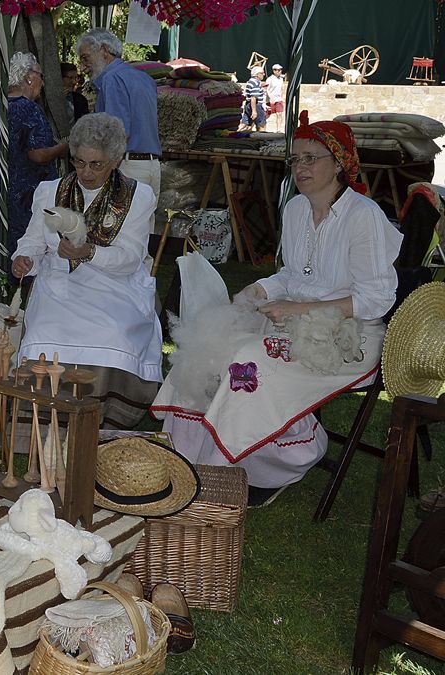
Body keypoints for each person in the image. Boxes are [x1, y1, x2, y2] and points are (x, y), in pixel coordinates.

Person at [151, 114, 402, 505]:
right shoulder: (297, 209)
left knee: (247, 363)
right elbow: (291, 273)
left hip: (348, 337)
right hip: (295, 325)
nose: (300, 168)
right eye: (296, 159)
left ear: (338, 163)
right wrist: (260, 288)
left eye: (311, 158)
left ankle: (258, 466)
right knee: (213, 348)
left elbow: (377, 298)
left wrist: (299, 308)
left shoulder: (363, 216)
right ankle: (185, 461)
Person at [11, 113, 161, 428]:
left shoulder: (138, 196)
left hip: (114, 281)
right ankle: (42, 423)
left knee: (113, 333)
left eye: (97, 165)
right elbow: (33, 241)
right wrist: (24, 258)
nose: (86, 173)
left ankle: (104, 419)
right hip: (60, 280)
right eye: (79, 162)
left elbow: (132, 257)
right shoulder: (50, 190)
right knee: (44, 332)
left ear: (117, 160)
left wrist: (88, 252)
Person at [0, 52, 68, 283]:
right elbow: (38, 154)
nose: (43, 82)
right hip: (24, 197)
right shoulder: (29, 109)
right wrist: (64, 147)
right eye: (40, 75)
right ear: (29, 78)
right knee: (25, 251)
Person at [77, 28, 161, 197]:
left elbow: (119, 132)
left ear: (105, 50)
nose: (83, 66)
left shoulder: (112, 78)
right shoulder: (143, 77)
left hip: (128, 167)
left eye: (86, 58)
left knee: (118, 223)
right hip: (152, 167)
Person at [239, 66, 267, 131]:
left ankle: (233, 134)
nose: (264, 74)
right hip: (256, 105)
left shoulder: (250, 81)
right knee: (262, 125)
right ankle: (261, 139)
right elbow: (253, 97)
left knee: (244, 124)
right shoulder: (256, 83)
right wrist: (254, 111)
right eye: (262, 73)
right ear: (257, 74)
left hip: (248, 105)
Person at [265, 64, 286, 131]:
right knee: (267, 115)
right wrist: (271, 98)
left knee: (279, 114)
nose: (279, 71)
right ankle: (259, 125)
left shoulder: (281, 79)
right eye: (278, 70)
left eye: (280, 70)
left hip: (278, 99)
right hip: (271, 100)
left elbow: (281, 89)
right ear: (274, 71)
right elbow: (267, 89)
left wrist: (282, 98)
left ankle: (278, 129)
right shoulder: (269, 79)